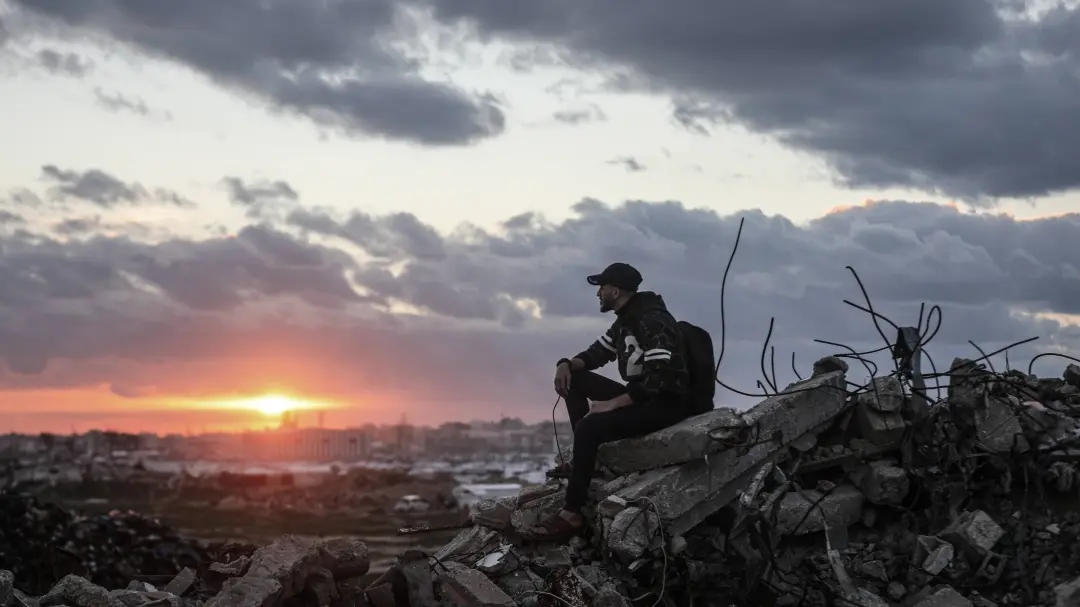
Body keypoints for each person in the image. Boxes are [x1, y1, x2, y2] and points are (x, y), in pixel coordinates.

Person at [527, 262, 692, 541]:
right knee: (577, 379)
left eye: (601, 288)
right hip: (641, 396)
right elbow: (595, 355)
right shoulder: (624, 321)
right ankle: (586, 461)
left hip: (664, 405)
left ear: (614, 290)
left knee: (589, 427)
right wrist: (565, 364)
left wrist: (613, 404)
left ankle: (572, 513)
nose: (598, 294)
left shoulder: (653, 319)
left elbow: (660, 379)